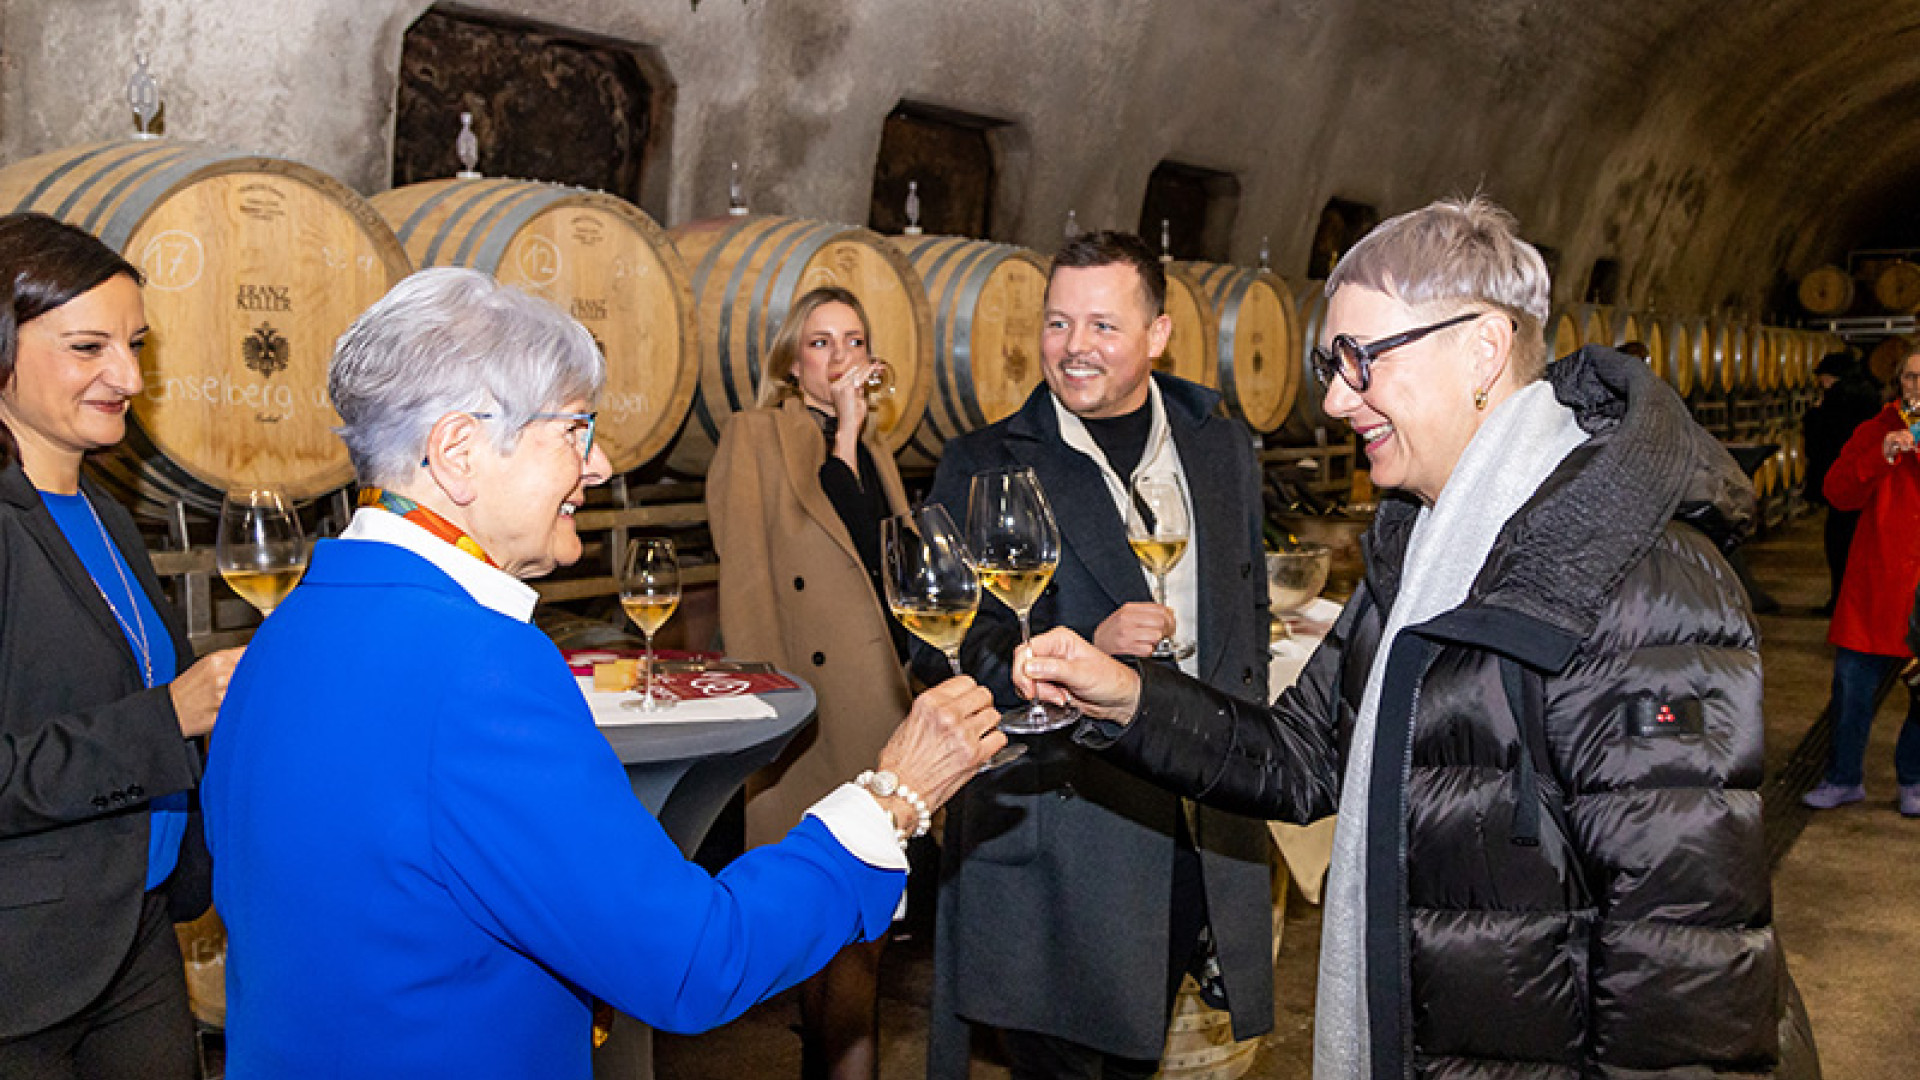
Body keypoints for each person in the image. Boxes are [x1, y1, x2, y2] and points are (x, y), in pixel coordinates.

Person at [1015, 197, 1814, 1078]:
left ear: (1482, 348)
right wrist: (1129, 699)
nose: (1332, 396)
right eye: (1330, 362)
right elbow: (1305, 756)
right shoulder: (1421, 544)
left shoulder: (1633, 577)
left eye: (1361, 358)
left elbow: (1684, 969)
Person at [200, 268, 1006, 1078]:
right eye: (576, 429)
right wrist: (892, 799)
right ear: (459, 451)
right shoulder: (482, 670)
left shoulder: (292, 625)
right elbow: (695, 959)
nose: (600, 463)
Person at [916, 231, 1274, 1080]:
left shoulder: (1219, 444)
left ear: (1158, 334)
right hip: (1063, 839)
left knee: (1145, 1054)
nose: (1075, 347)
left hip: (1197, 825)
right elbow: (937, 641)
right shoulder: (983, 461)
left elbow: (1245, 608)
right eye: (1058, 323)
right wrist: (1074, 648)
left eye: (1104, 326)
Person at [0, 213, 244, 1078]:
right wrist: (166, 717)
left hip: (134, 928)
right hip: (22, 967)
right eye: (88, 347)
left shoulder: (105, 513)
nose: (129, 376)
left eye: (135, 345)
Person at [706, 286, 913, 1080]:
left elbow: (880, 561)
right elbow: (749, 589)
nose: (840, 358)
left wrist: (855, 441)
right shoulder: (754, 436)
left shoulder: (869, 445)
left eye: (853, 341)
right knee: (835, 942)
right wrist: (771, 719)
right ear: (793, 363)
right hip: (814, 726)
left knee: (866, 939)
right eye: (821, 343)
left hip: (882, 714)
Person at [1803, 343, 1920, 815]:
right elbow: (1838, 491)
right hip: (1874, 582)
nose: (1918, 386)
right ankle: (1843, 777)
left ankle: (1913, 780)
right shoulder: (1876, 429)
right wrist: (1882, 455)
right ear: (1899, 383)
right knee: (1851, 691)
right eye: (1911, 377)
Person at [1802, 350, 1883, 614]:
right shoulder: (1869, 393)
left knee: (1839, 543)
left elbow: (1823, 439)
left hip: (1842, 479)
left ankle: (1841, 601)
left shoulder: (1838, 398)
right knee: (1858, 541)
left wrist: (1812, 416)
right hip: (1864, 478)